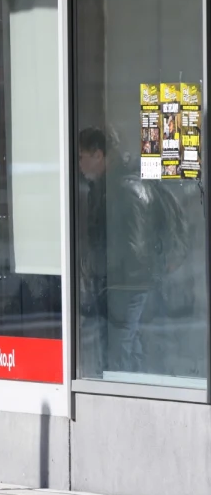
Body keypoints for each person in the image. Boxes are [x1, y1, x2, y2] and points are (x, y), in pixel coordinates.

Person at [77, 127, 185, 375]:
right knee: (127, 344)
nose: (79, 164)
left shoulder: (121, 189)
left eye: (82, 156)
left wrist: (103, 272)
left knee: (120, 349)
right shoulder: (109, 185)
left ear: (99, 155)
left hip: (124, 285)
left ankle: (123, 398)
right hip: (121, 283)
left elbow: (129, 246)